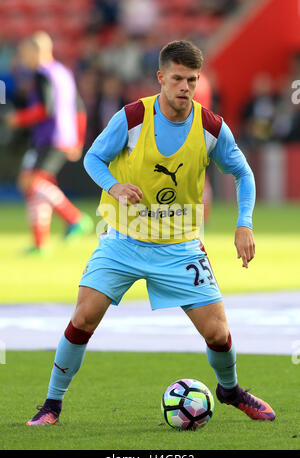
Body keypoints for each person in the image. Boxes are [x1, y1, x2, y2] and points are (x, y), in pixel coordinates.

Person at [26, 40, 275, 426]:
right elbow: (93, 157)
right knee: (84, 318)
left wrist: (244, 223)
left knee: (217, 332)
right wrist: (115, 186)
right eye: (177, 78)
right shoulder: (132, 117)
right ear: (161, 78)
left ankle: (230, 390)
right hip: (123, 240)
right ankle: (51, 404)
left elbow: (243, 173)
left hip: (179, 245)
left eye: (192, 80)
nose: (185, 87)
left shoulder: (210, 126)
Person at [5, 31, 93, 254]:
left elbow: (46, 108)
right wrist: (79, 139)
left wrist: (19, 118)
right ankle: (40, 243)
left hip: (49, 137)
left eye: (25, 52)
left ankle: (74, 218)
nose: (23, 58)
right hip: (63, 137)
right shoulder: (63, 73)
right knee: (38, 186)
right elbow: (79, 107)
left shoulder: (43, 74)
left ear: (37, 51)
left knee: (30, 183)